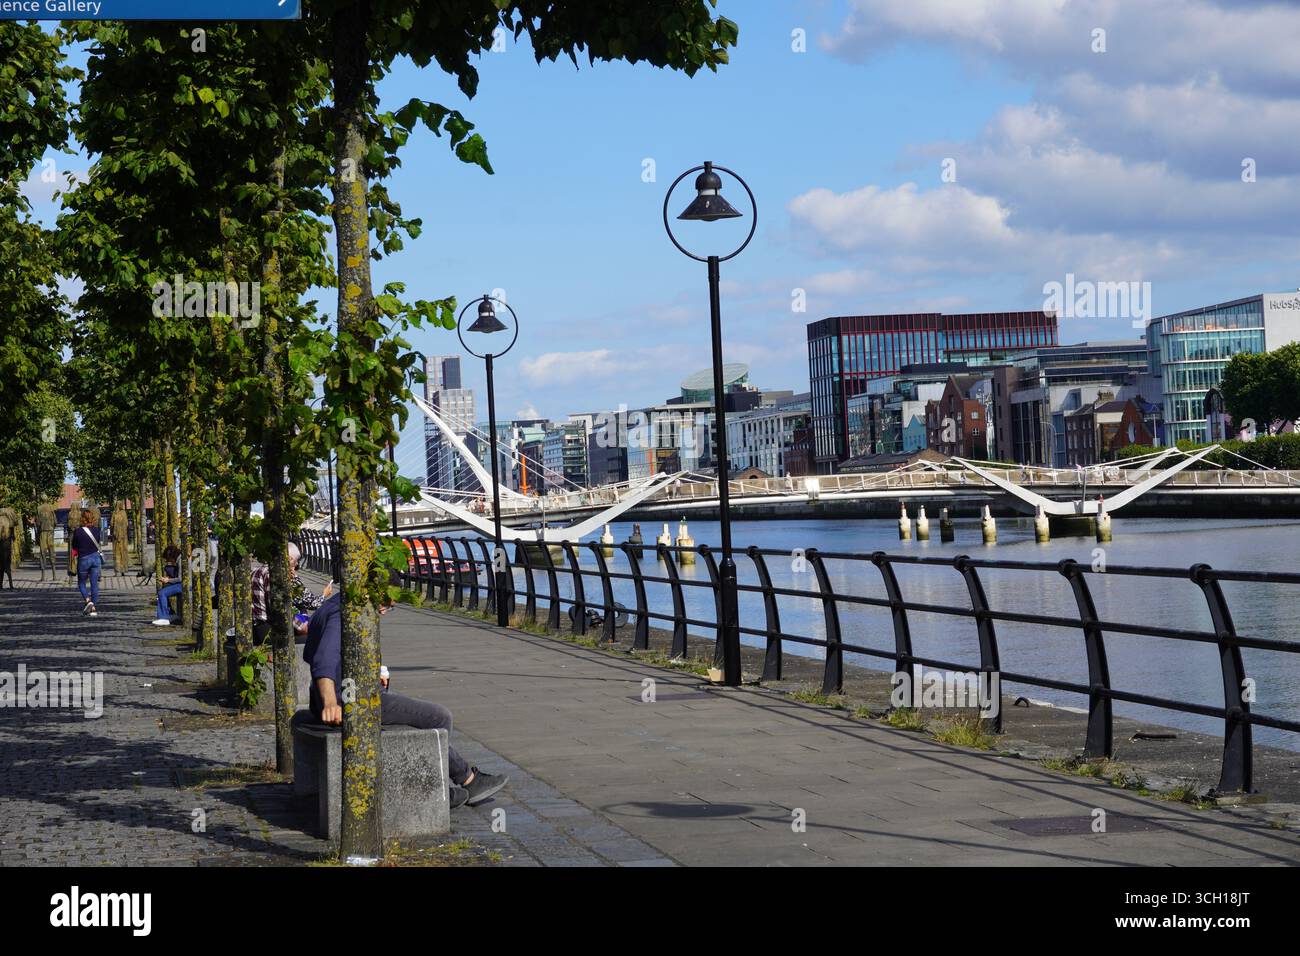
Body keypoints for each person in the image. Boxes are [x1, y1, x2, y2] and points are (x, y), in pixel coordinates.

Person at [302, 585, 508, 810]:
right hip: (349, 700)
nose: (383, 612)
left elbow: (310, 653)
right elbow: (324, 659)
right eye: (384, 605)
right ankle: (441, 786)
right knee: (439, 717)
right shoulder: (343, 614)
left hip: (343, 693)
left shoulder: (330, 606)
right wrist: (331, 702)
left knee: (416, 715)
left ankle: (462, 780)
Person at [251, 542, 329, 646]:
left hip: (257, 628)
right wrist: (301, 626)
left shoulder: (256, 571)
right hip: (269, 631)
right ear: (289, 559)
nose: (296, 565)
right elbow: (279, 609)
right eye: (296, 561)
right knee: (318, 638)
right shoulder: (272, 575)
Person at [72, 508, 103, 616]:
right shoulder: (97, 530)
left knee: (81, 583)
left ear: (82, 519)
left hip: (83, 559)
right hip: (95, 559)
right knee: (94, 584)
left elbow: (74, 546)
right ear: (93, 518)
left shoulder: (78, 531)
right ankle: (93, 608)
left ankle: (88, 601)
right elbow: (98, 542)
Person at [152, 545, 183, 626]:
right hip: (183, 584)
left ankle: (163, 617)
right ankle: (170, 614)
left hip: (184, 585)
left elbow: (180, 578)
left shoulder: (180, 560)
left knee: (162, 593)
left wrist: (168, 580)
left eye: (168, 559)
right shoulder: (180, 559)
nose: (169, 561)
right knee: (165, 589)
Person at [36, 500, 57, 581]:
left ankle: (43, 576)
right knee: (52, 552)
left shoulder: (39, 508)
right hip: (50, 532)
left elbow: (38, 523)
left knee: (42, 553)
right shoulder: (51, 508)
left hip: (43, 533)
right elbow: (55, 521)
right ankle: (54, 575)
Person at [0, 506, 16, 590]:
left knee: (1, 566)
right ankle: (11, 585)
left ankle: (1, 585)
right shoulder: (8, 520)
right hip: (7, 544)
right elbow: (13, 527)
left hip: (1, 544)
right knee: (7, 564)